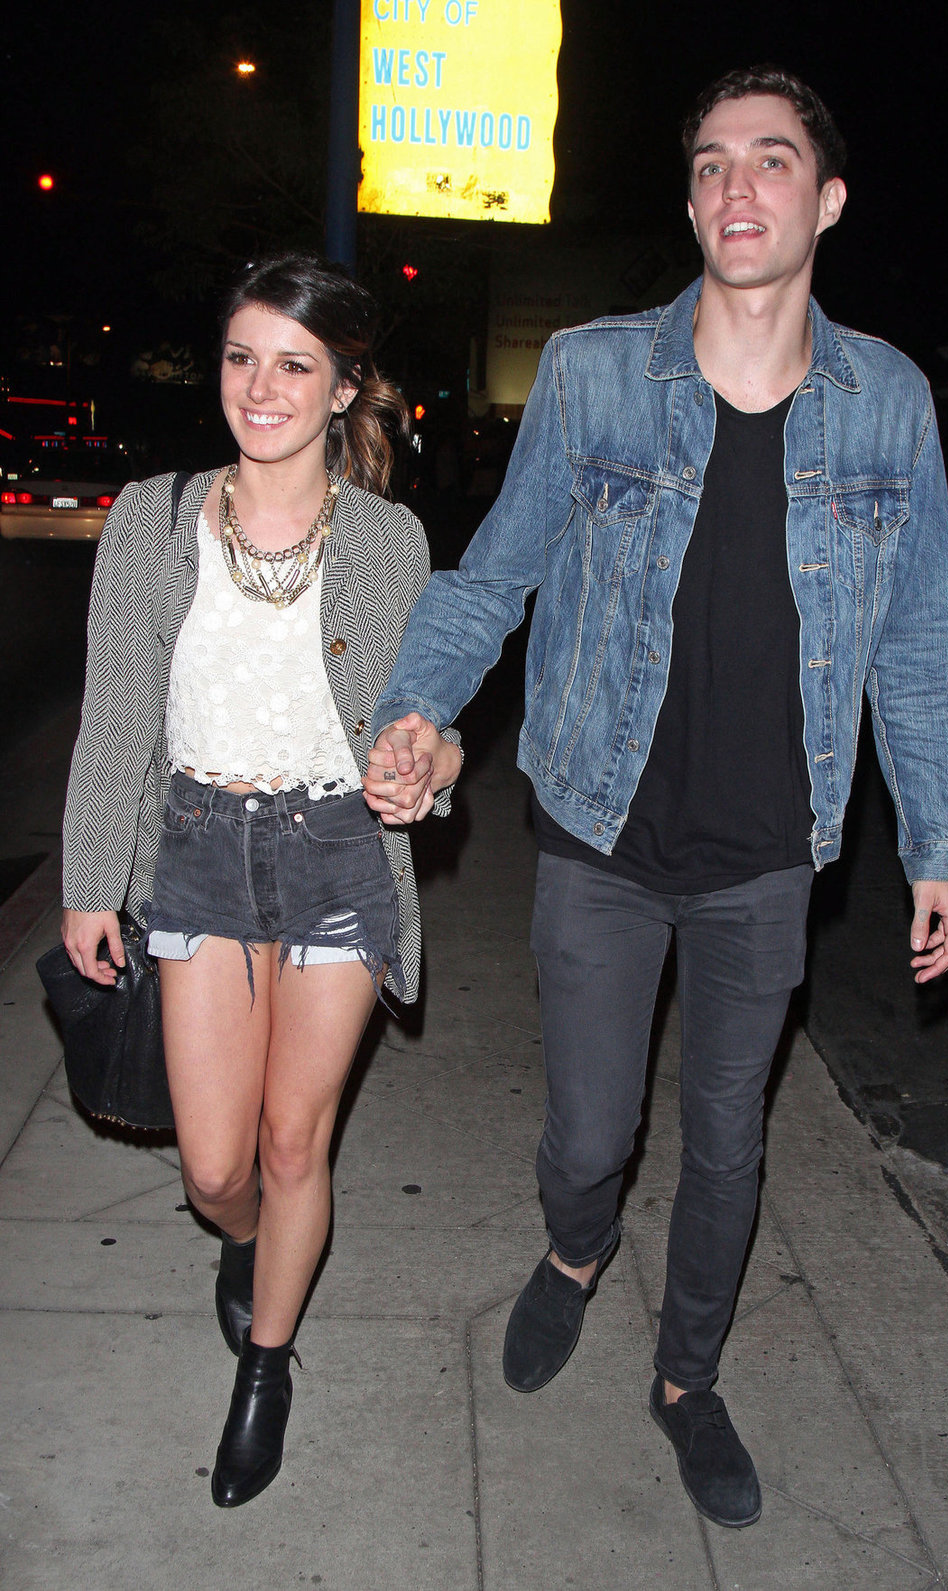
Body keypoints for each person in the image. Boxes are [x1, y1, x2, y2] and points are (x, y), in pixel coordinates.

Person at [368, 67, 948, 1530]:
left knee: (727, 1139)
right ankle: (574, 1251)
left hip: (770, 853)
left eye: (770, 162)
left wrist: (938, 845)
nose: (736, 189)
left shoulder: (887, 397)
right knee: (591, 1134)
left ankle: (687, 1375)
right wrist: (415, 701)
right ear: (692, 197)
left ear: (823, 200)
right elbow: (494, 569)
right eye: (711, 165)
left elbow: (918, 640)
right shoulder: (591, 371)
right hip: (599, 824)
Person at [60, 253, 461, 1508]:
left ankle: (266, 1367)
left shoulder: (391, 540)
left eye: (295, 365)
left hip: (339, 852)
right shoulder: (149, 517)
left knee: (297, 1142)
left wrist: (426, 765)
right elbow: (115, 717)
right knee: (216, 1167)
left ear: (345, 387)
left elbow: (420, 722)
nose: (261, 386)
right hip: (194, 856)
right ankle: (246, 1247)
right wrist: (87, 882)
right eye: (243, 358)